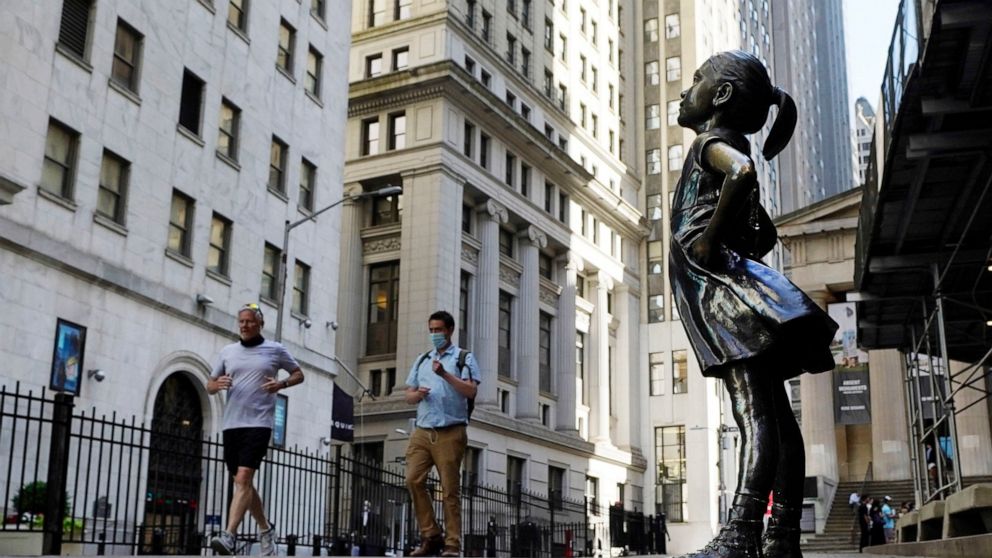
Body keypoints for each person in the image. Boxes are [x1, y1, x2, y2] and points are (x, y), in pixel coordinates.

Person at [670, 50, 838, 558]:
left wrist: (707, 241)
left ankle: (742, 531)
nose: (685, 90)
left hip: (722, 292)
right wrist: (732, 241)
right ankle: (782, 535)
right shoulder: (725, 143)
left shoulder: (711, 143)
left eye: (695, 80)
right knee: (778, 419)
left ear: (720, 97)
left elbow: (743, 174)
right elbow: (762, 231)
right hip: (729, 285)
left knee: (753, 414)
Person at [207, 303, 304, 555]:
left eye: (249, 321)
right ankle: (265, 528)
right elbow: (209, 383)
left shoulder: (274, 350)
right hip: (232, 424)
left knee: (243, 479)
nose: (244, 325)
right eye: (241, 321)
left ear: (260, 324)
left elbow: (298, 374)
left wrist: (280, 383)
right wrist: (218, 384)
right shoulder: (228, 352)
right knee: (243, 484)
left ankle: (229, 535)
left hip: (259, 423)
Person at [404, 310, 480, 557]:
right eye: (432, 330)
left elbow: (470, 392)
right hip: (423, 430)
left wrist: (444, 375)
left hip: (451, 431)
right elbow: (408, 395)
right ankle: (431, 535)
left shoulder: (463, 358)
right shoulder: (423, 359)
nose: (435, 335)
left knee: (449, 490)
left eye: (439, 330)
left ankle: (452, 544)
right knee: (413, 479)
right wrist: (416, 395)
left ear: (450, 330)